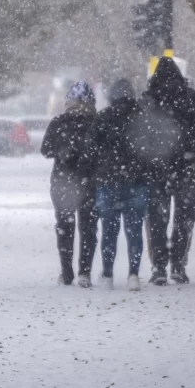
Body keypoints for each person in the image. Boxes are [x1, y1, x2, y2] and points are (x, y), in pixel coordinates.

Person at [139, 57, 195, 286]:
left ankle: (159, 267)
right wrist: (191, 145)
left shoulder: (148, 100)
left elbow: (137, 133)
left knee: (156, 218)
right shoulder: (193, 98)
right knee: (184, 217)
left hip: (157, 168)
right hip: (186, 167)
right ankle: (178, 266)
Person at [83, 79, 149, 291]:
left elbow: (90, 150)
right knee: (134, 231)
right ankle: (133, 275)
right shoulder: (142, 119)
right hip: (136, 182)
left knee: (109, 231)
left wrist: (88, 175)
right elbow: (152, 151)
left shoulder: (103, 117)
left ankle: (108, 275)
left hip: (108, 181)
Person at [41, 81, 98, 288]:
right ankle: (85, 272)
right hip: (89, 182)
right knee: (88, 227)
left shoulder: (59, 122)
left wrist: (63, 149)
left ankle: (66, 272)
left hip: (62, 182)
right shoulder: (97, 123)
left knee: (65, 227)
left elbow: (45, 150)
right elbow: (105, 153)